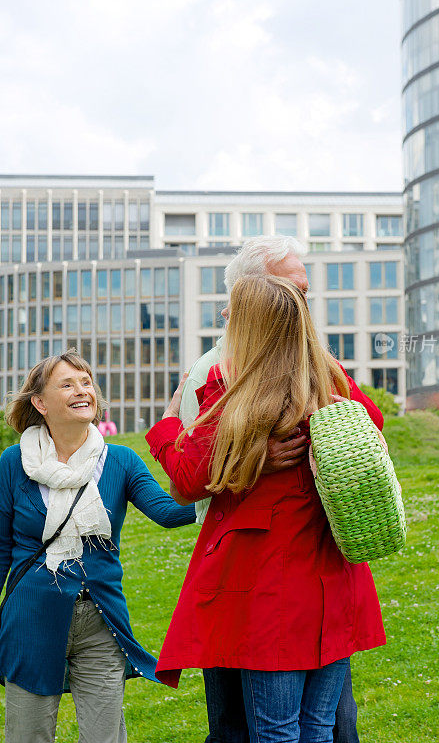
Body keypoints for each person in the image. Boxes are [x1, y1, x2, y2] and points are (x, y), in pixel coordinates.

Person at [146, 275, 386, 743]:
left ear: (250, 326)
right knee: (318, 727)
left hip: (266, 590)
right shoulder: (324, 379)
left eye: (232, 311)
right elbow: (371, 424)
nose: (224, 319)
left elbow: (188, 478)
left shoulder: (237, 394)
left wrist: (167, 426)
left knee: (275, 731)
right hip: (333, 582)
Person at [0, 351, 196, 743]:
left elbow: (169, 512)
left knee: (104, 736)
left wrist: (229, 485)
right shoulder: (12, 462)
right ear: (40, 402)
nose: (82, 391)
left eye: (86, 382)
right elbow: (2, 549)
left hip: (100, 620)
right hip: (30, 618)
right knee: (28, 733)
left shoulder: (120, 460)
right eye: (67, 384)